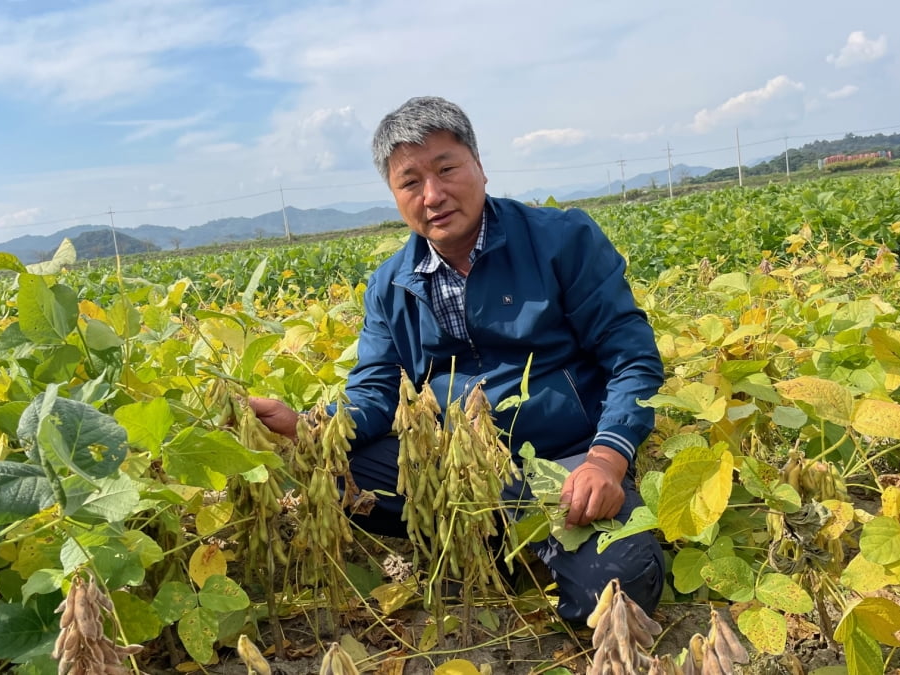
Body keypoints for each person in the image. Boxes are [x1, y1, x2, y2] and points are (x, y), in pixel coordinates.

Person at [249, 96, 665, 622]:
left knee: (620, 590)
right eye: (410, 182)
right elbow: (375, 393)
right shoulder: (390, 285)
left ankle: (515, 536)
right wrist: (307, 425)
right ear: (394, 195)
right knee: (329, 471)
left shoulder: (563, 240)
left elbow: (633, 358)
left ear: (479, 166)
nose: (433, 195)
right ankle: (495, 533)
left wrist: (606, 458)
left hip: (562, 463)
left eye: (447, 169)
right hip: (458, 468)